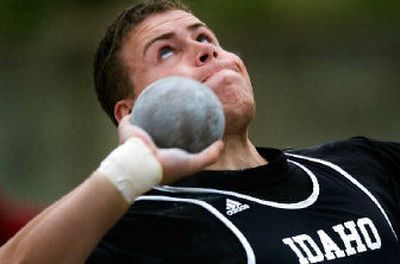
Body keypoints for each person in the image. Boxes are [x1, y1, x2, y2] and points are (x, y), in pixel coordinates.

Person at [1, 0, 399, 263]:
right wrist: (129, 169)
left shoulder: (358, 165)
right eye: (167, 50)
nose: (205, 50)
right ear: (131, 111)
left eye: (205, 37)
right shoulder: (151, 223)